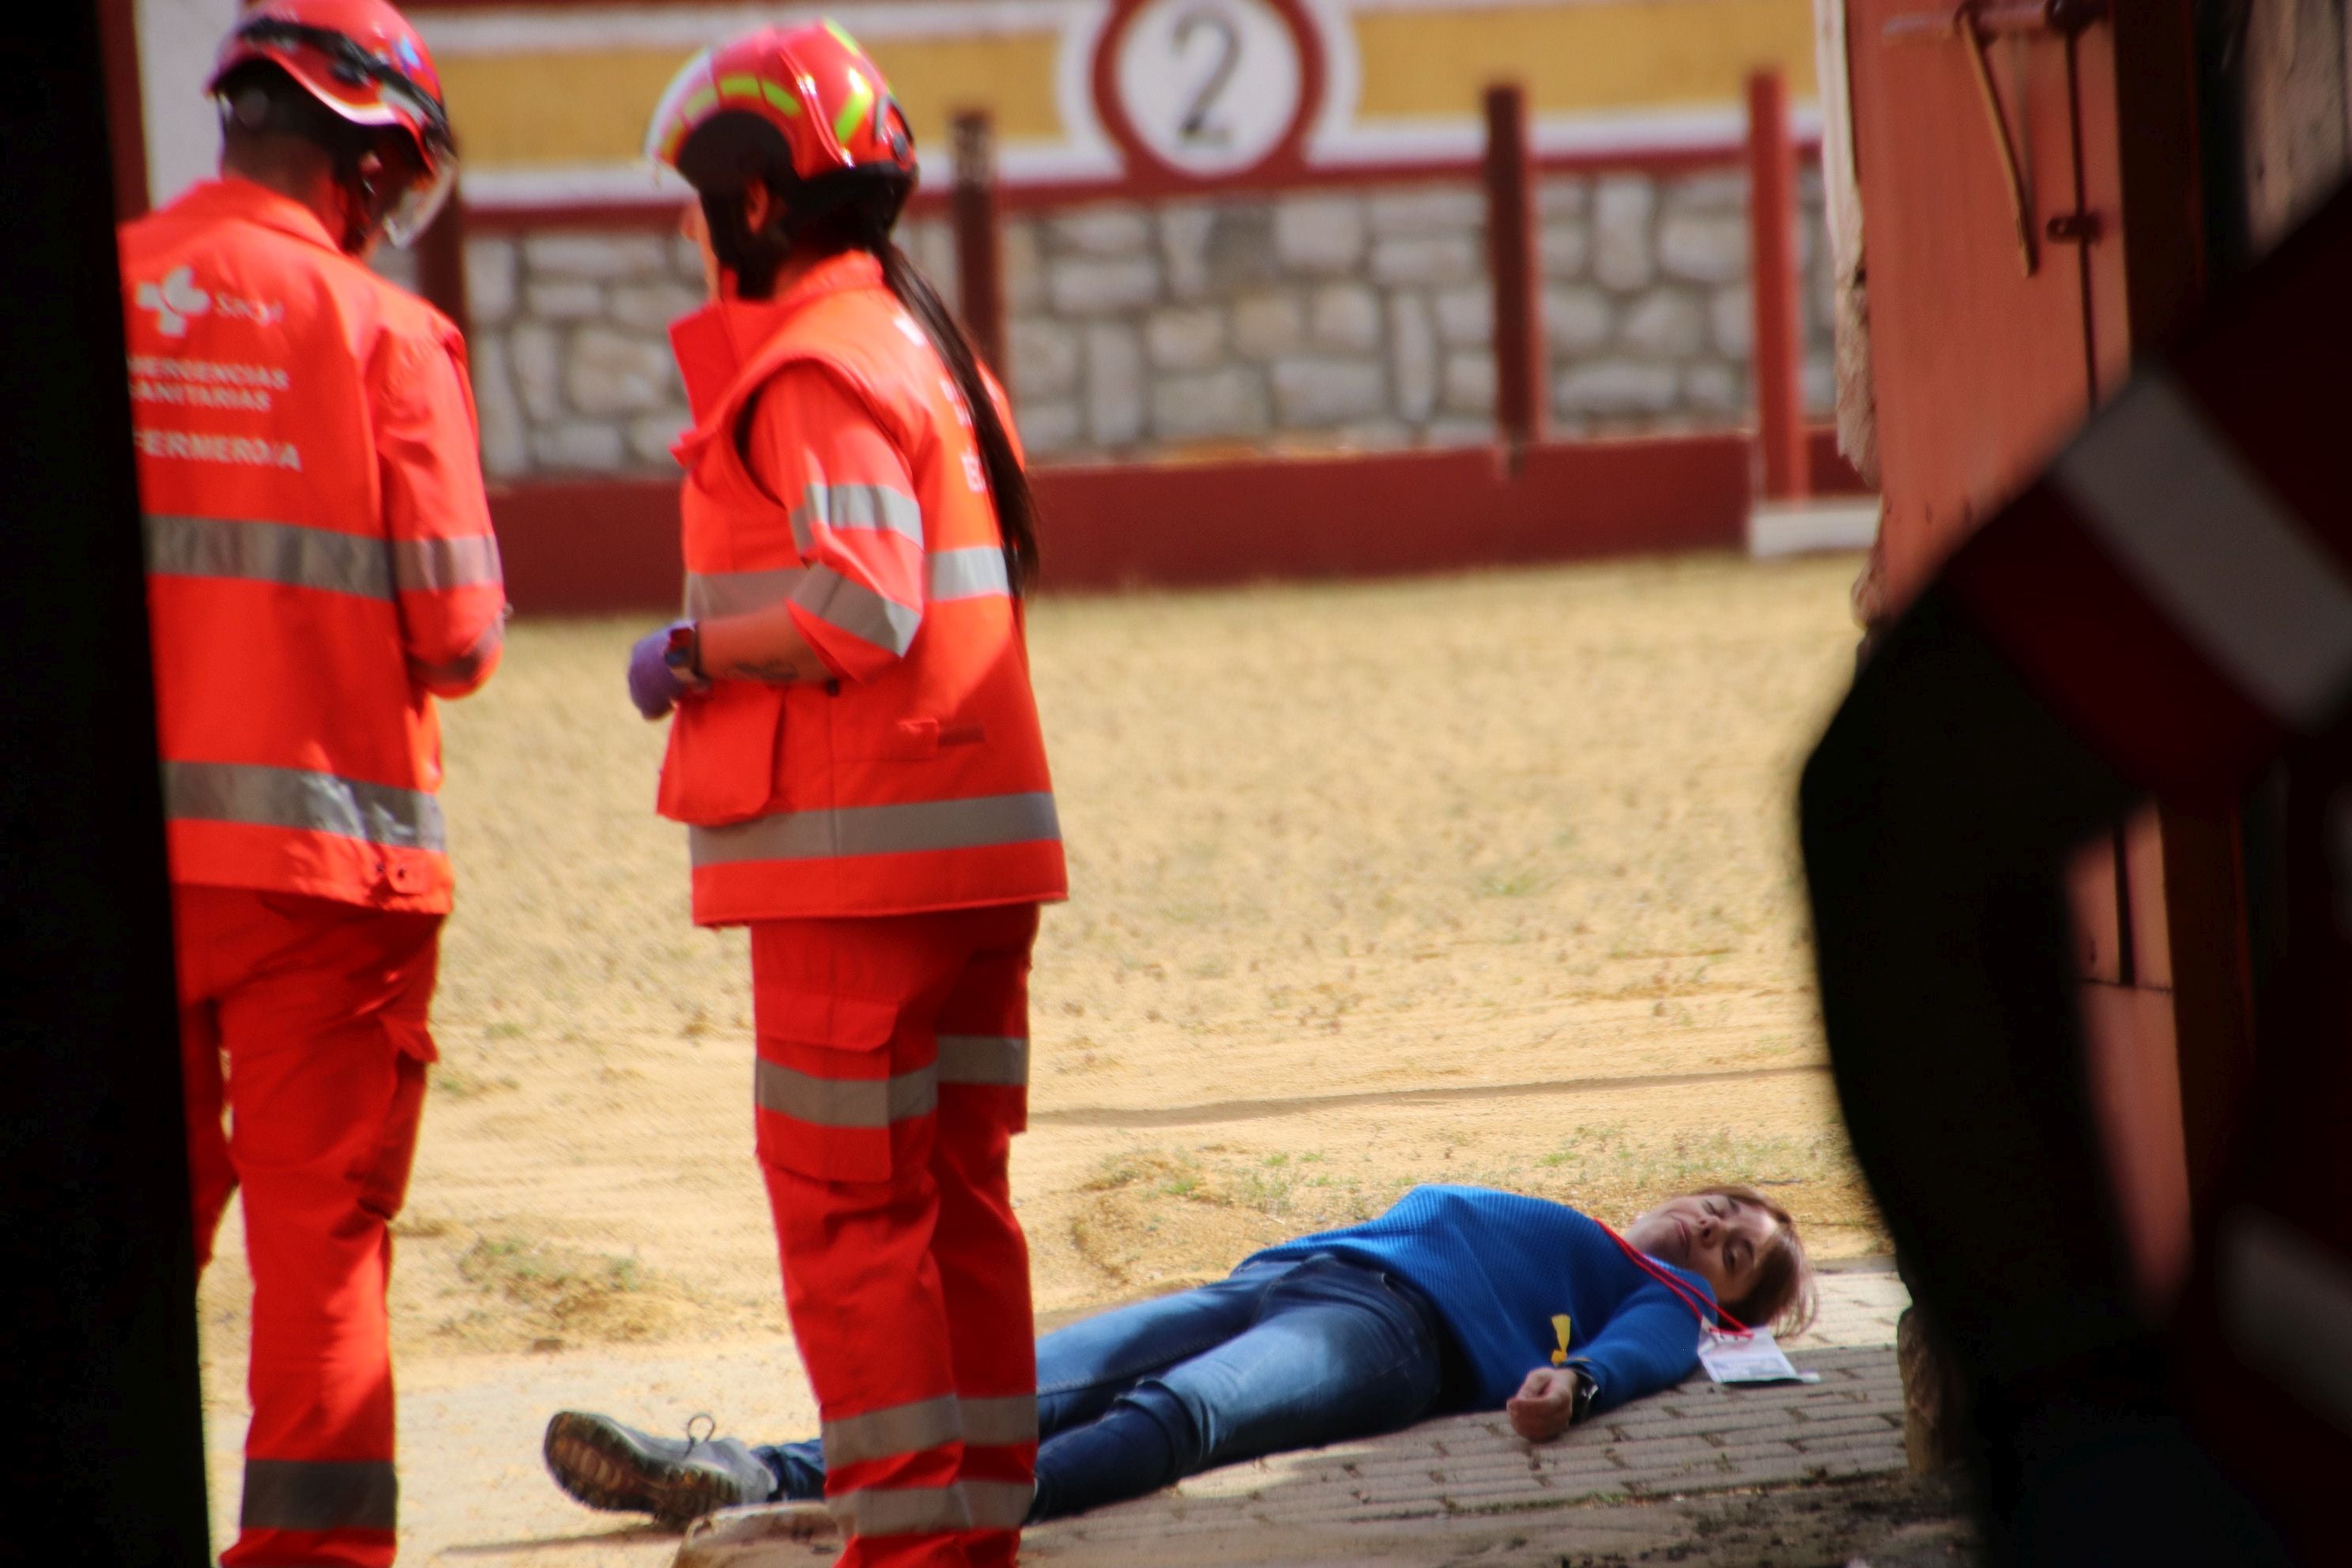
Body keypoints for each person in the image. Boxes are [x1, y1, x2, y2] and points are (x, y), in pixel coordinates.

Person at [612, 24, 1066, 1568]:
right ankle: (975, 1525)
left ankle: (916, 1545)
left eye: (697, 202)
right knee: (958, 1204)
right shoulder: (927, 347)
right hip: (969, 860)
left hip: (852, 874)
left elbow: (858, 600)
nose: (688, 233)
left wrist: (694, 647)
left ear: (753, 208)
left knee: (851, 1222)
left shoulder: (814, 363)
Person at [125, 3, 504, 1565]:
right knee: (319, 1246)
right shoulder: (385, 338)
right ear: (366, 158)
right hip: (326, 878)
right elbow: (463, 632)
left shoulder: (111, 285)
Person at [543, 1183, 1814, 1530]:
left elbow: (1645, 1354)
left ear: (1729, 1312)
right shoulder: (1592, 1233)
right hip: (1275, 1279)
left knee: (1183, 1413)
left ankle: (975, 1507)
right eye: (1722, 1212)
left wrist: (1575, 1382)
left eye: (1736, 1258)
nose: (1714, 1236)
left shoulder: (1657, 1307)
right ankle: (757, 1472)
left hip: (1388, 1336)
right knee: (1017, 1378)